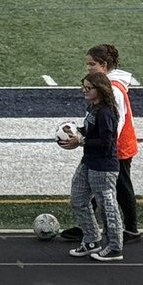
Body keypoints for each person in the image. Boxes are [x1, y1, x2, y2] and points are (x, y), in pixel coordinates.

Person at [61, 71, 125, 261]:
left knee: (107, 206)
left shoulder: (106, 112)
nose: (84, 90)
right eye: (84, 86)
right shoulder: (93, 107)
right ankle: (91, 240)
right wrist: (73, 131)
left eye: (88, 88)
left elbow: (107, 141)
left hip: (103, 166)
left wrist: (79, 141)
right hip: (89, 161)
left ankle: (115, 247)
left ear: (100, 89)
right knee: (78, 198)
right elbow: (90, 130)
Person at [80, 45, 139, 242]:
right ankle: (87, 226)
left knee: (119, 186)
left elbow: (117, 120)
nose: (88, 68)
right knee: (100, 184)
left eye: (92, 64)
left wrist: (107, 145)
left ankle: (130, 228)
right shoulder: (111, 84)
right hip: (115, 144)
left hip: (116, 146)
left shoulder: (113, 88)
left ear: (104, 65)